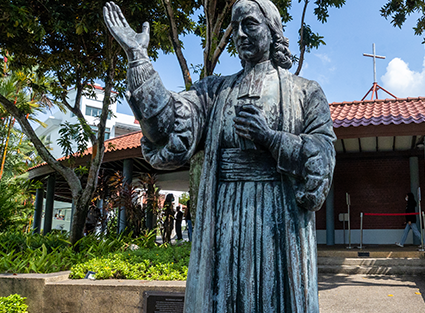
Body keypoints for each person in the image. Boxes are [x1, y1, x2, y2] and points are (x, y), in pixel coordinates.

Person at [104, 1, 335, 311]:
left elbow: (322, 155)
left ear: (273, 29)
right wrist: (138, 58)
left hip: (277, 217)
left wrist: (269, 138)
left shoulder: (305, 91)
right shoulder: (214, 92)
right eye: (234, 27)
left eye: (249, 24)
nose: (239, 34)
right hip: (224, 215)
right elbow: (169, 123)